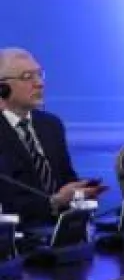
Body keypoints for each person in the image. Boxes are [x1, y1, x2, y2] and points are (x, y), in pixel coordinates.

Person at [0, 47, 101, 222]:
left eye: (40, 74)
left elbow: (67, 178)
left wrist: (81, 191)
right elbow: (7, 201)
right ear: (3, 89)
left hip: (62, 230)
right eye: (27, 77)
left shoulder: (51, 125)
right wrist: (54, 202)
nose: (39, 83)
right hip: (18, 236)